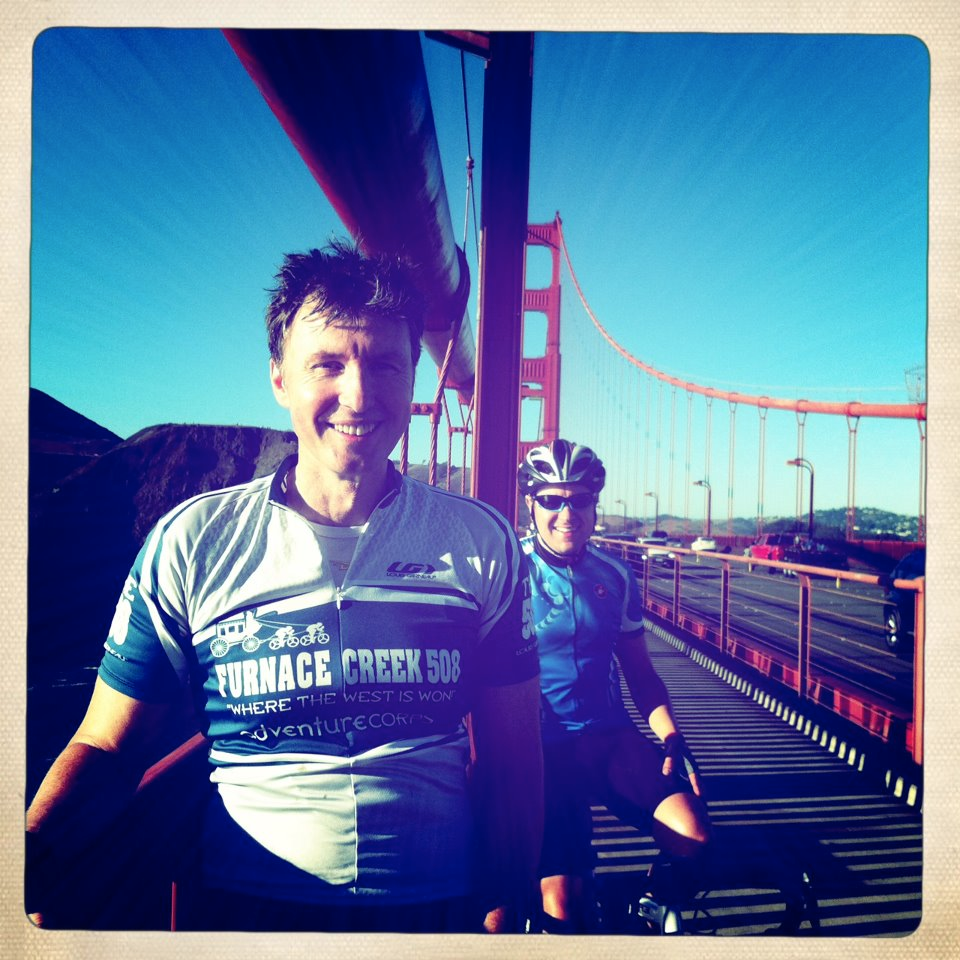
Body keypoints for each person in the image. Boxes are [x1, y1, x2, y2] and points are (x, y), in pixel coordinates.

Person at [26, 239, 543, 933]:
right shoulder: (191, 542)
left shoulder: (482, 542)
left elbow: (514, 759)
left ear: (413, 376)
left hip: (435, 918)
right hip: (246, 917)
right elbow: (107, 747)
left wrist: (507, 924)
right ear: (278, 377)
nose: (359, 395)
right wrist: (30, 857)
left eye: (385, 363)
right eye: (327, 364)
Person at [517, 439, 711, 934]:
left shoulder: (616, 576)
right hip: (539, 747)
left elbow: (640, 673)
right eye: (551, 500)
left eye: (579, 500)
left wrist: (672, 736)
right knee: (563, 905)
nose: (567, 513)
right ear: (531, 504)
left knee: (692, 835)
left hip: (607, 737)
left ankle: (644, 904)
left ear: (594, 506)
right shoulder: (511, 571)